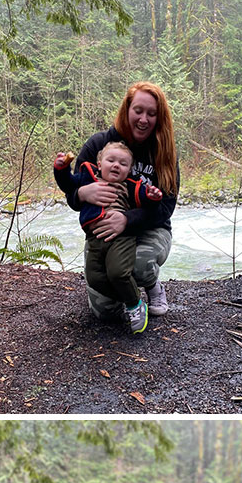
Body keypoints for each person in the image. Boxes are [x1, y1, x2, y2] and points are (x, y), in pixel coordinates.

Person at [58, 82, 179, 321]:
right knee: (105, 312)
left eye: (151, 114)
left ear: (159, 117)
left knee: (138, 267)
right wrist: (83, 194)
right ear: (127, 110)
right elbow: (72, 195)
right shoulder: (98, 144)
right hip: (104, 232)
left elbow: (166, 208)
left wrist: (127, 218)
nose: (143, 119)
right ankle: (127, 296)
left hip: (150, 228)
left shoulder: (163, 152)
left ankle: (151, 284)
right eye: (138, 111)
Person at [54, 141, 163, 334]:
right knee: (95, 278)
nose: (115, 165)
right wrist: (61, 169)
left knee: (118, 273)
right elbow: (67, 184)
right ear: (99, 162)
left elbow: (148, 202)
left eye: (122, 164)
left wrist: (153, 195)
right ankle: (135, 299)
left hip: (121, 237)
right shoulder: (87, 178)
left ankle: (133, 306)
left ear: (129, 170)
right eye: (110, 160)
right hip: (95, 239)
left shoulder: (129, 186)